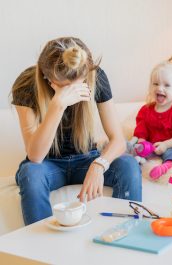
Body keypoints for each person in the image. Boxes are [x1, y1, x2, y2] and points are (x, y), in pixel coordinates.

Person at [11, 37, 142, 225]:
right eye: (65, 87)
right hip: (48, 164)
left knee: (128, 165)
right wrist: (58, 104)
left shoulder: (95, 77)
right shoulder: (27, 84)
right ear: (47, 79)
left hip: (86, 159)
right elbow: (35, 156)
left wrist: (99, 165)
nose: (73, 91)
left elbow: (118, 140)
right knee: (30, 173)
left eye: (78, 84)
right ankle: (40, 248)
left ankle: (124, 233)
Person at [128, 55, 172, 180]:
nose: (159, 88)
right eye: (156, 84)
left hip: (171, 144)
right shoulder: (146, 110)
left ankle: (168, 165)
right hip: (152, 144)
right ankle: (135, 162)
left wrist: (165, 144)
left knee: (170, 152)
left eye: (167, 85)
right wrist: (141, 143)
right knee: (136, 150)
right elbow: (141, 131)